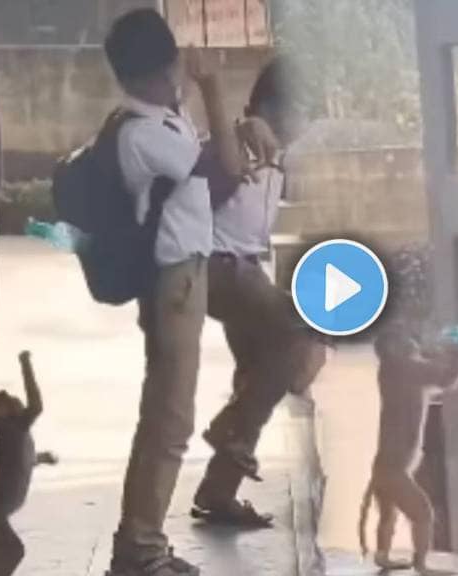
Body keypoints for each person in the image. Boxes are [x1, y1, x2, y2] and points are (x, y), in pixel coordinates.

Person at [102, 9, 248, 576]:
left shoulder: (157, 120)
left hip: (188, 273)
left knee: (166, 416)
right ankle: (138, 549)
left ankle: (141, 544)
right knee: (168, 420)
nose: (182, 73)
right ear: (156, 71)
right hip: (174, 284)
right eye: (175, 66)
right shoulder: (143, 133)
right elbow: (228, 172)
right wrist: (213, 86)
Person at [190, 56, 327, 527]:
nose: (304, 125)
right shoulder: (244, 142)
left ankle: (217, 490)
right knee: (294, 335)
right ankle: (229, 431)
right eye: (299, 112)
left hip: (244, 270)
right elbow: (218, 159)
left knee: (259, 370)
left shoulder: (280, 160)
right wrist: (243, 125)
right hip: (215, 268)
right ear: (268, 108)